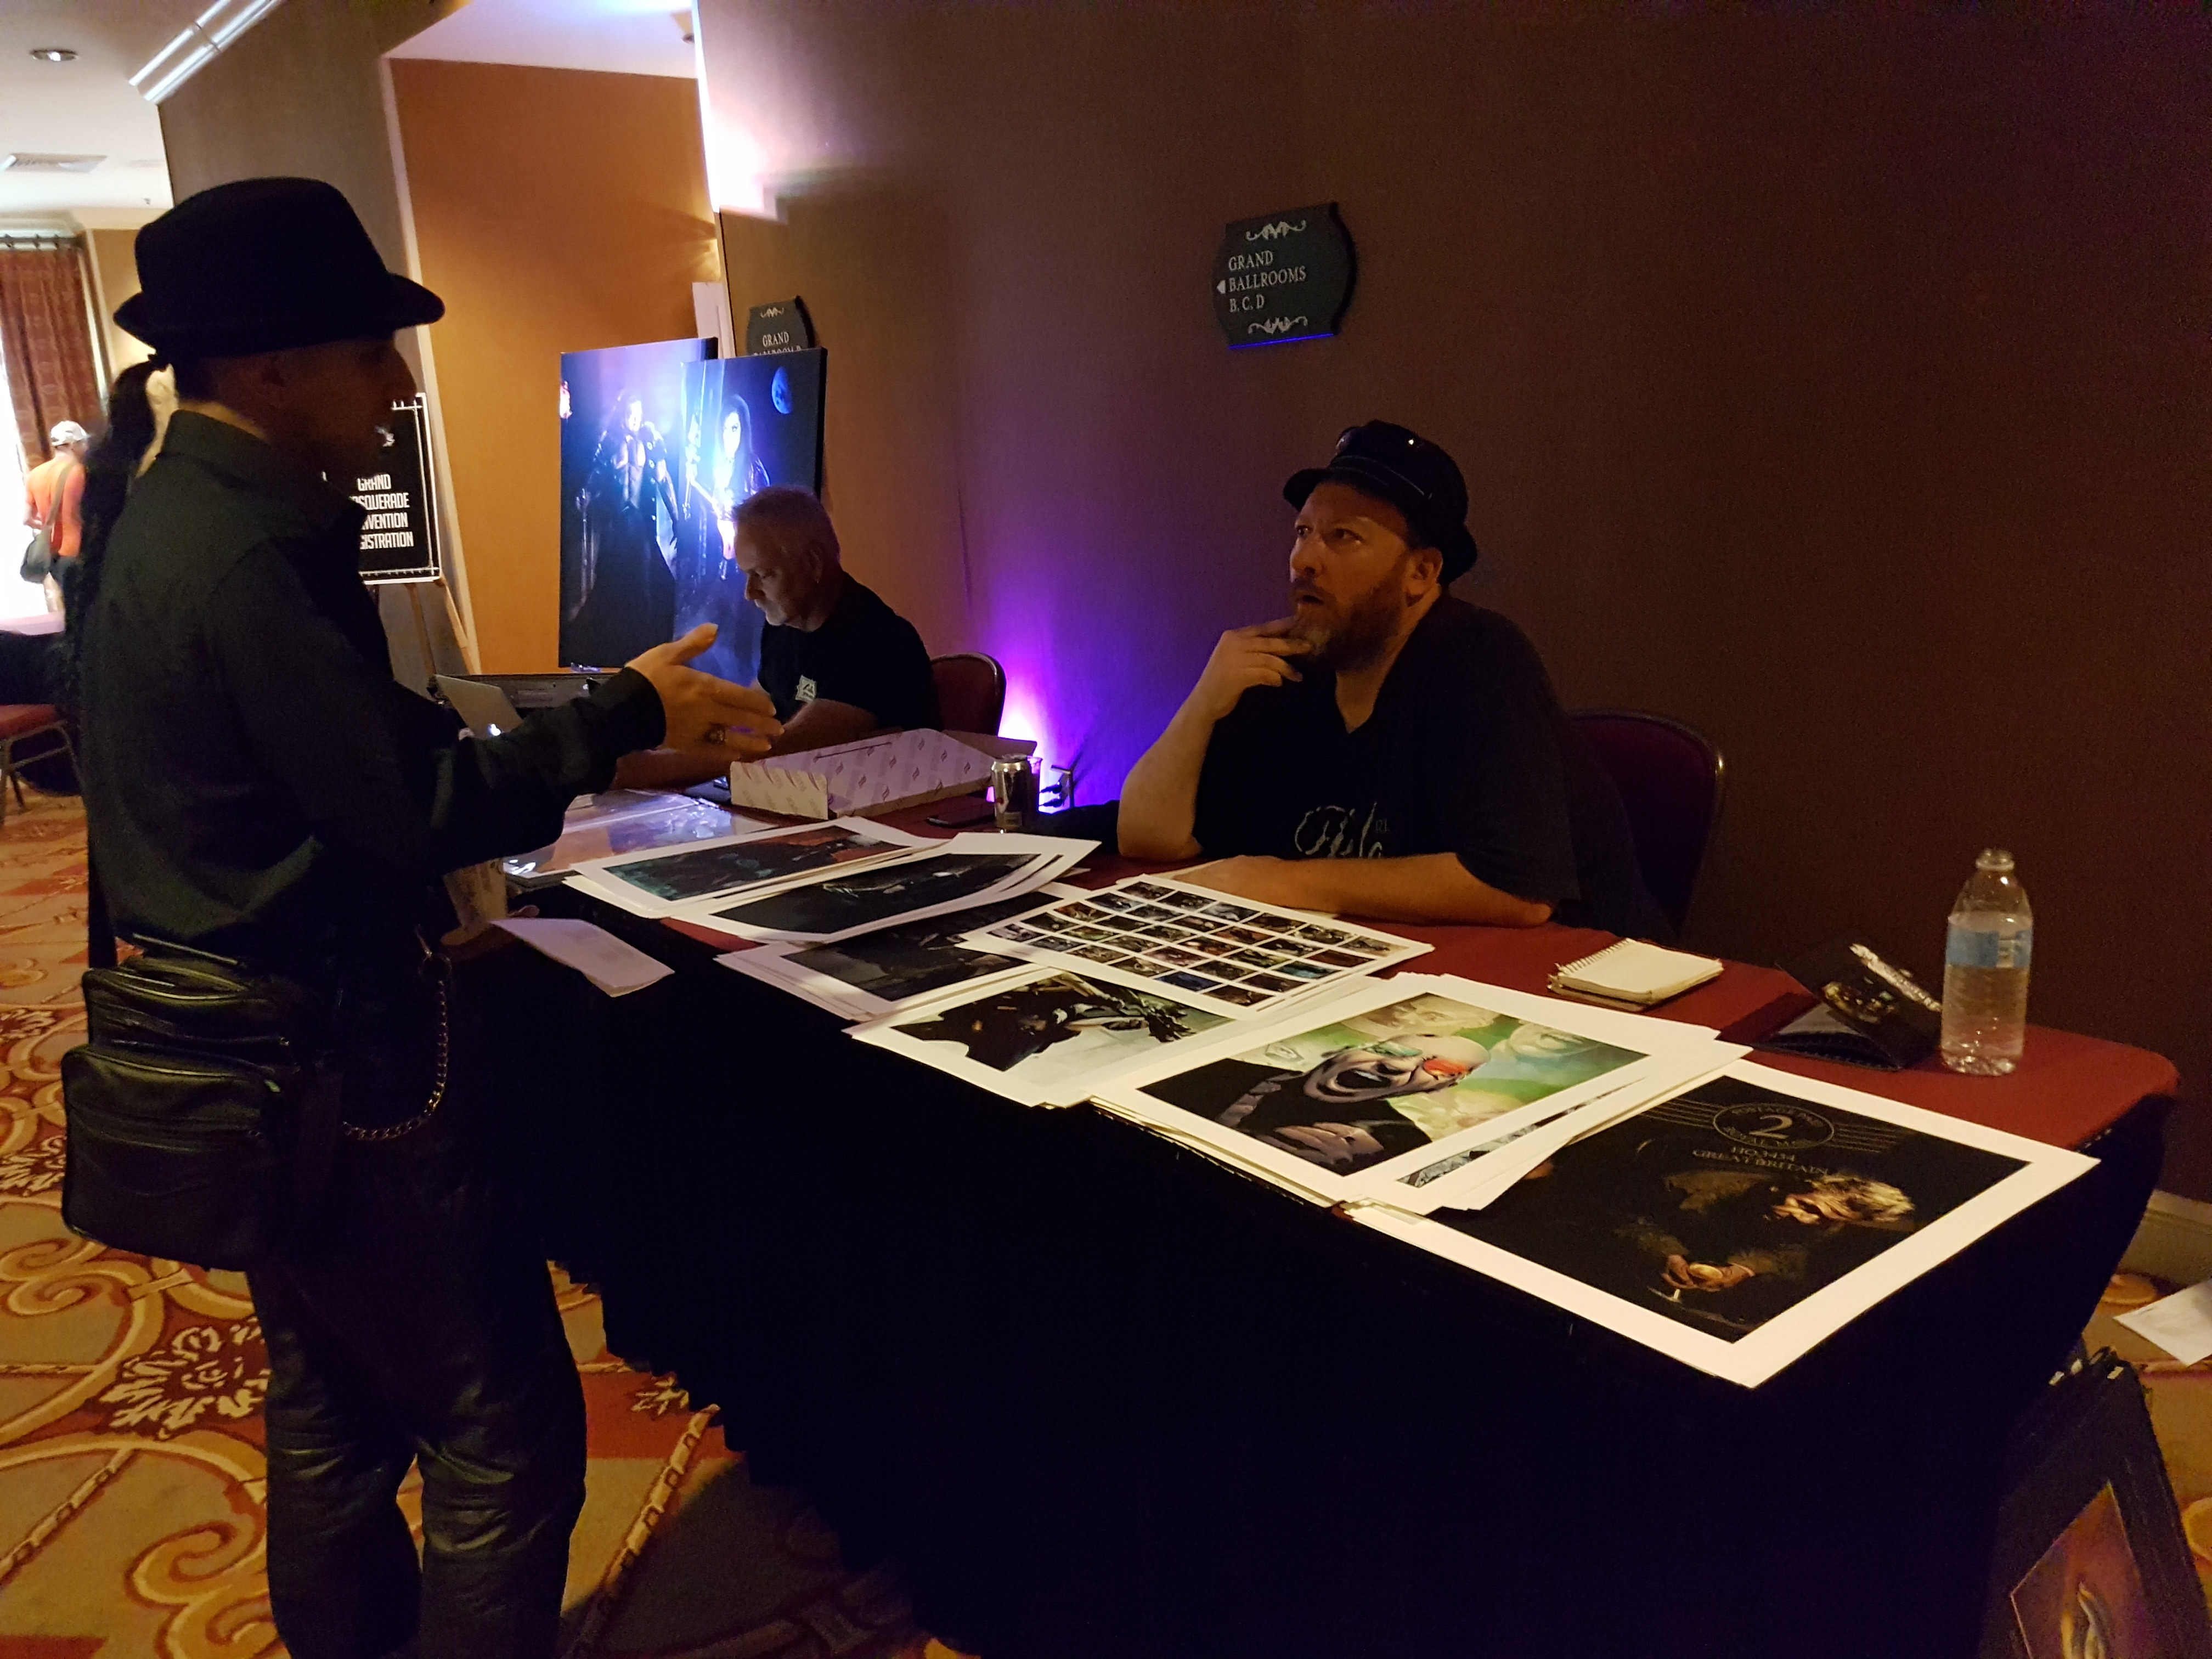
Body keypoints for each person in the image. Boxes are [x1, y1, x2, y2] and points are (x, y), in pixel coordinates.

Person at [70, 176, 779, 1659]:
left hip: (240, 1065)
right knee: (498, 1435)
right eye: (371, 351)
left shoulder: (169, 520)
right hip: (346, 1067)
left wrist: (611, 740)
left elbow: (346, 756)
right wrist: (618, 712)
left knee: (331, 1409)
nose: (398, 386)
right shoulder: (253, 553)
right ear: (274, 368)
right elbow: (412, 810)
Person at [1118, 421, 1668, 938]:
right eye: (1303, 532)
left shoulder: (1477, 657)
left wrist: (1280, 881)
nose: (1305, 559)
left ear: (1421, 573)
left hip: (1569, 978)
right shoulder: (1294, 666)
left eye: (1343, 537)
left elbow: (1517, 892)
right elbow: (1148, 838)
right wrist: (1203, 704)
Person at [737, 486, 938, 751]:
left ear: (813, 563)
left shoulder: (878, 640)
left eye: (763, 575)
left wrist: (696, 748)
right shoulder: (784, 625)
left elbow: (791, 746)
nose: (749, 593)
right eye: (747, 576)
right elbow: (755, 707)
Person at [24, 418, 89, 605]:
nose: (86, 447)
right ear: (73, 445)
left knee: (72, 608)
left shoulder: (35, 475)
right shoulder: (81, 472)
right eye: (83, 443)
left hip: (55, 557)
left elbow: (27, 519)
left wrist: (48, 527)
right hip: (81, 552)